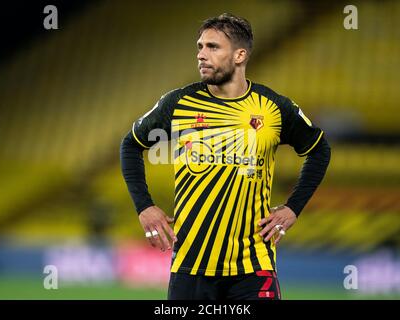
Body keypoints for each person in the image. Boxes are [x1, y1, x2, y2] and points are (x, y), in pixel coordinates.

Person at [120, 13, 331, 300]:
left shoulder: (273, 108)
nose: (201, 55)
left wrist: (293, 207)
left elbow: (319, 149)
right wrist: (144, 206)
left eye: (212, 47)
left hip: (253, 264)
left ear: (240, 55)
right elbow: (130, 145)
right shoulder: (179, 103)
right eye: (200, 46)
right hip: (191, 265)